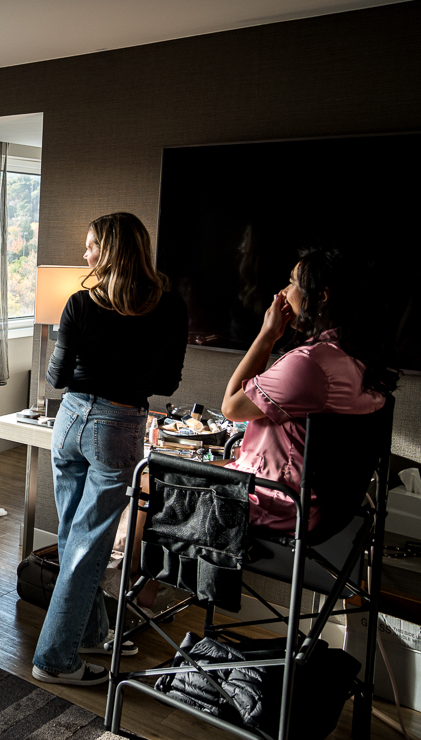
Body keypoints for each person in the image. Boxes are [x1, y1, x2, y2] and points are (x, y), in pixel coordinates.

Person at [32, 212, 187, 687]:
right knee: (86, 544)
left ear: (112, 251)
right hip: (118, 424)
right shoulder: (171, 307)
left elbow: (55, 378)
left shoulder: (80, 304)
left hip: (71, 419)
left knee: (74, 537)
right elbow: (165, 383)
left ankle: (88, 633)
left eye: (91, 245)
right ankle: (56, 659)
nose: (85, 254)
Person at [221, 248, 396, 532]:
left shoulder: (309, 364)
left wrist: (267, 335)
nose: (283, 291)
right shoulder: (361, 360)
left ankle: (132, 573)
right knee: (214, 465)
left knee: (150, 476)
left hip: (277, 502)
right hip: (329, 508)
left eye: (292, 283)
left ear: (321, 296)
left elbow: (231, 408)